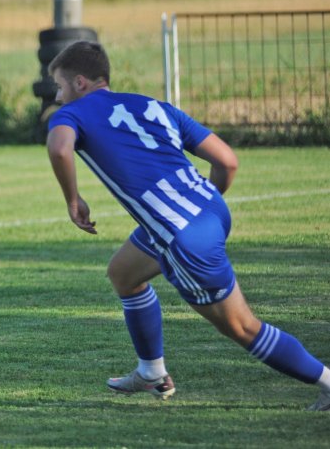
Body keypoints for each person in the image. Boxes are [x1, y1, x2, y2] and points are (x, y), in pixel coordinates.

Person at [45, 40, 330, 411]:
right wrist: (201, 205)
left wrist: (72, 199)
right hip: (211, 209)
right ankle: (151, 371)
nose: (58, 94)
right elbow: (227, 161)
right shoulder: (153, 105)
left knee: (241, 327)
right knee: (124, 273)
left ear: (80, 83)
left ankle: (326, 380)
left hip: (181, 232)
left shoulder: (74, 113)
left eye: (60, 86)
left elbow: (59, 149)